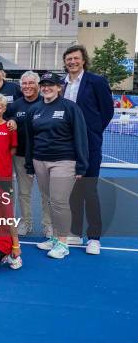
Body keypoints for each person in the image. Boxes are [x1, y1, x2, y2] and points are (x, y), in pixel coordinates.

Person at [25, 72, 88, 259]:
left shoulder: (70, 108)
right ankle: (54, 237)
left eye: (50, 85)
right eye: (43, 85)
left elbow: (81, 136)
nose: (46, 88)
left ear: (59, 87)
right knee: (48, 200)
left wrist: (82, 165)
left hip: (64, 160)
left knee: (59, 202)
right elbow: (30, 139)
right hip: (39, 160)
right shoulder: (34, 110)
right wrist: (30, 164)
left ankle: (62, 242)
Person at [63, 45, 114, 254]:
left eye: (76, 58)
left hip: (90, 145)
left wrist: (91, 133)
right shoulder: (61, 84)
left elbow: (107, 111)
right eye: (69, 59)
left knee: (89, 190)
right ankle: (75, 232)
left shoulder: (97, 82)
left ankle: (94, 237)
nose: (72, 62)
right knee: (73, 191)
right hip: (67, 145)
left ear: (83, 60)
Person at [7, 71, 48, 236]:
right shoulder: (15, 105)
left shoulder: (46, 102)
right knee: (24, 192)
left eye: (31, 83)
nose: (27, 86)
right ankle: (26, 223)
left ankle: (48, 225)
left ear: (38, 85)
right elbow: (9, 121)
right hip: (21, 155)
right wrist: (12, 121)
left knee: (47, 193)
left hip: (43, 155)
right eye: (24, 84)